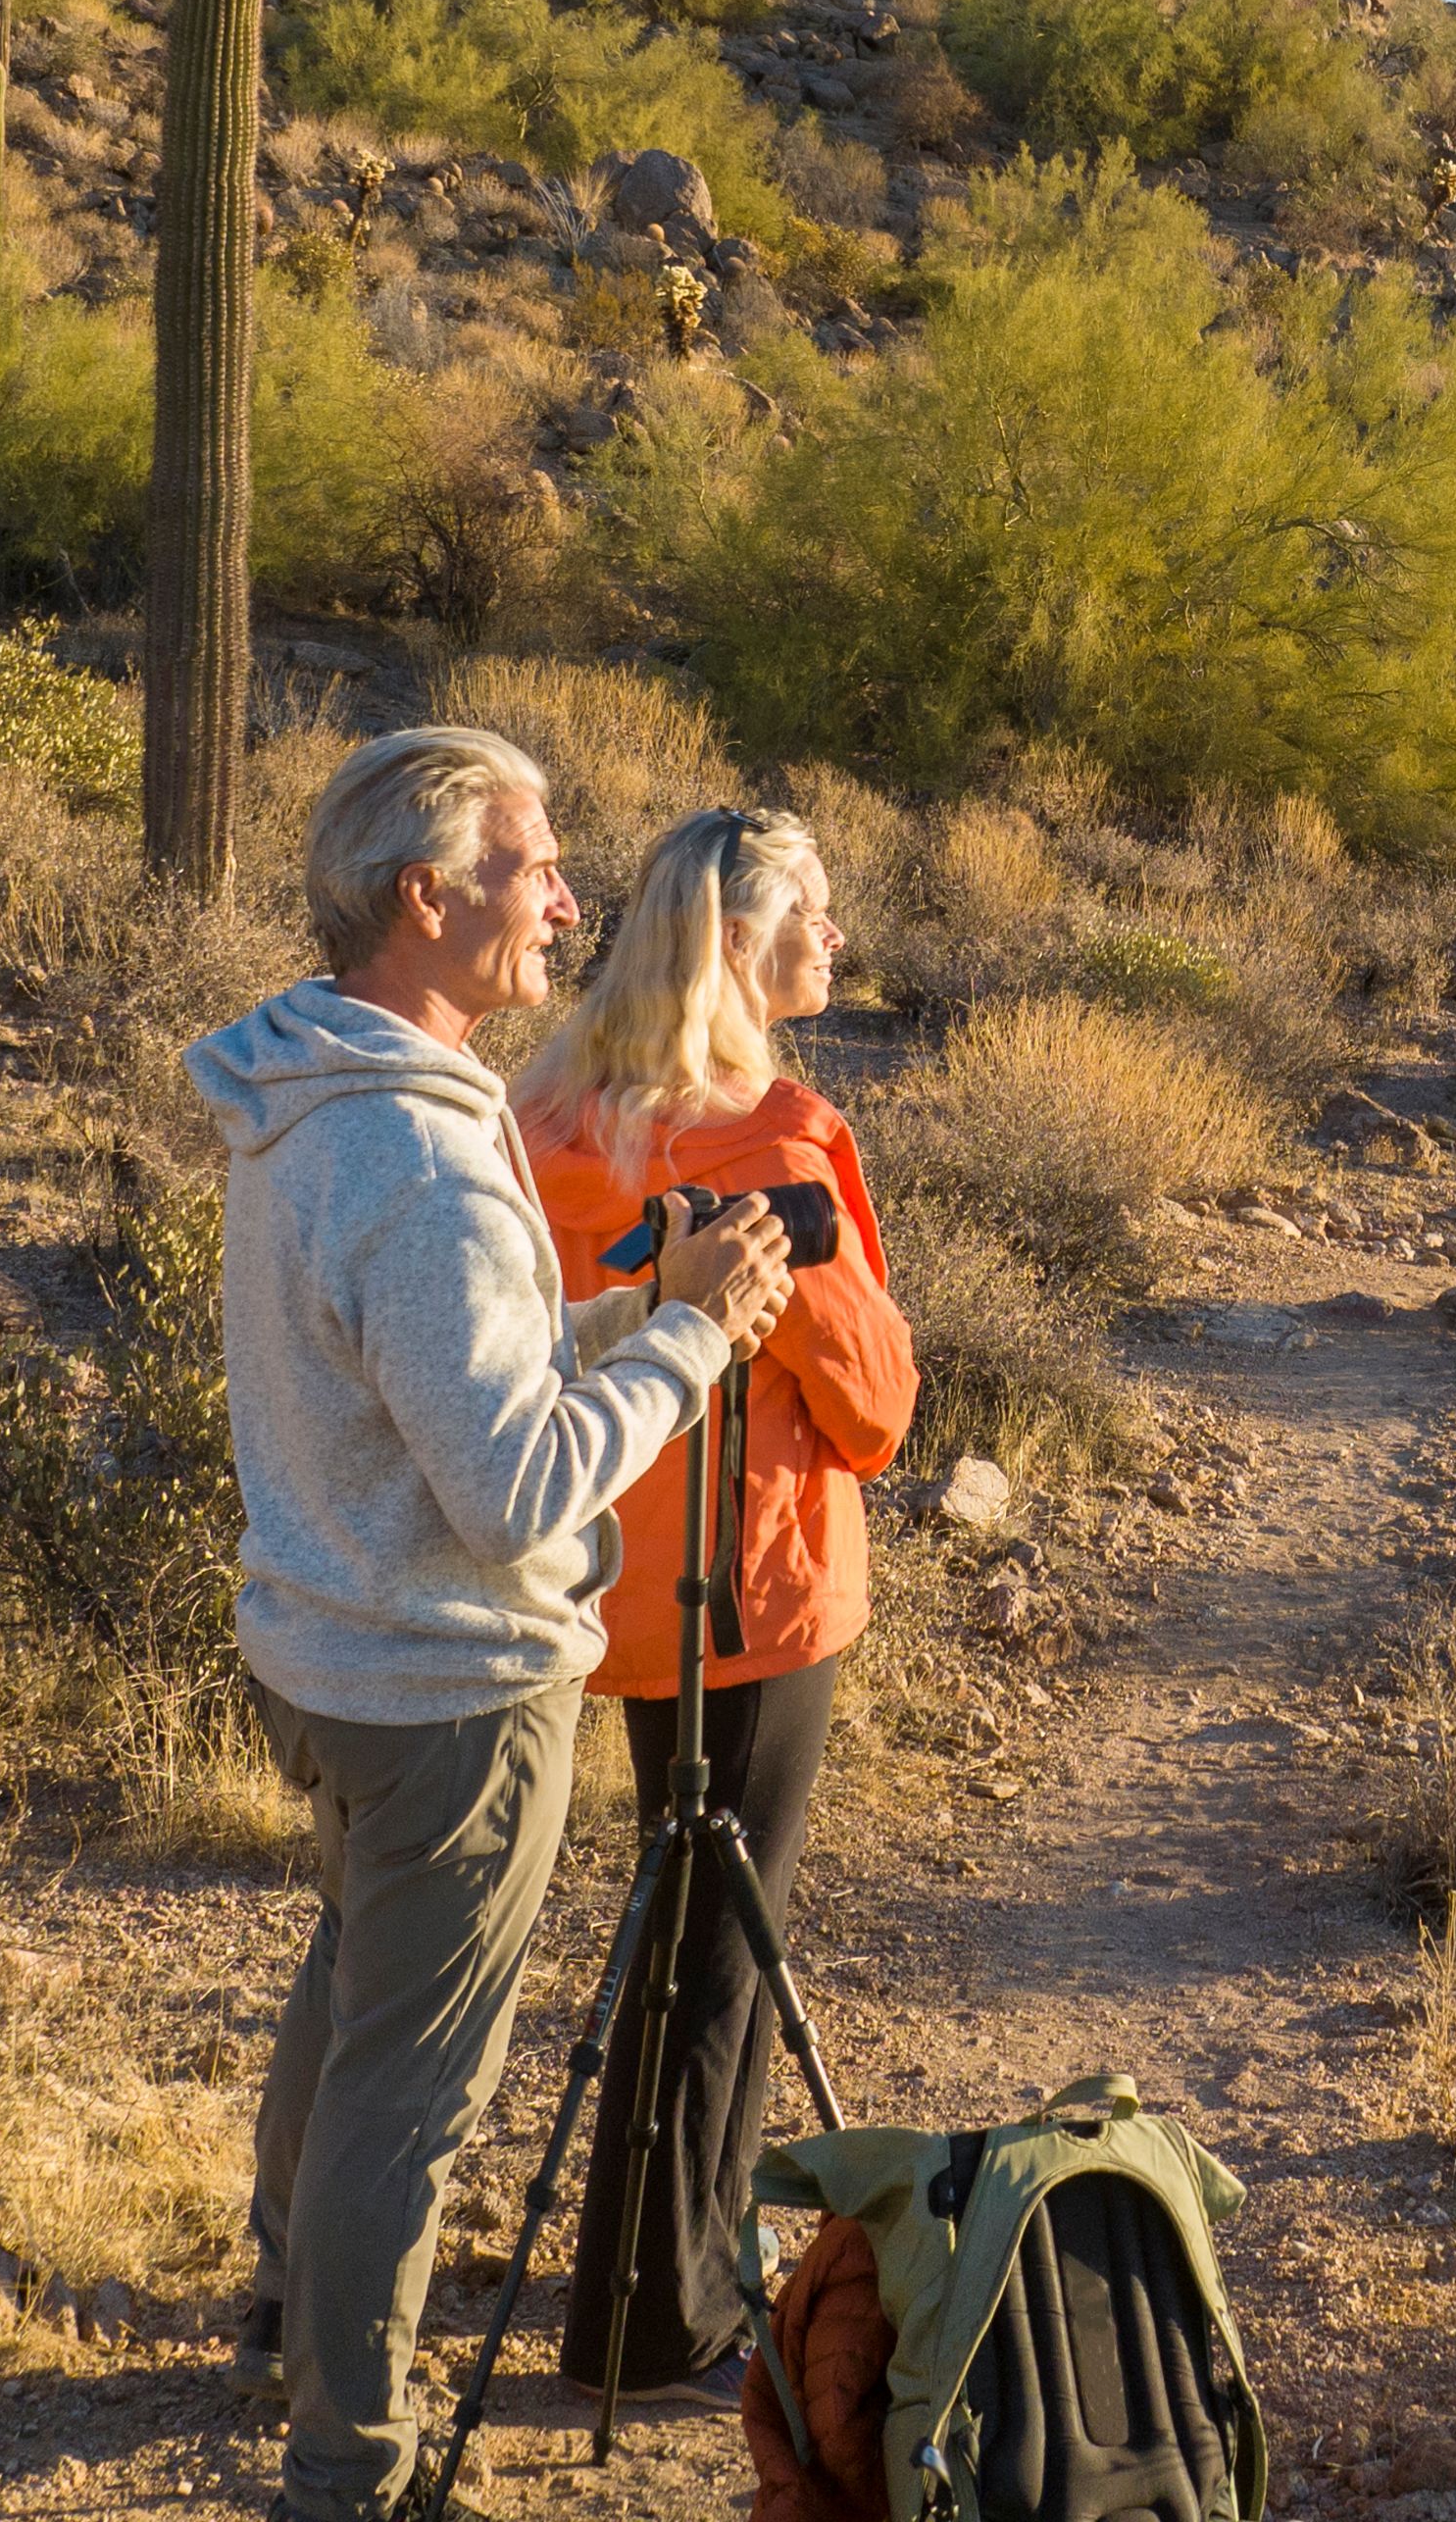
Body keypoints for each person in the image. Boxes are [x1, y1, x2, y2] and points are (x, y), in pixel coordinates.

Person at [190, 728, 800, 2522]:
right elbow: (520, 1489)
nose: (566, 897)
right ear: (423, 894)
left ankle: (288, 2292)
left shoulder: (317, 1096)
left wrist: (638, 1314)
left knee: (355, 1985)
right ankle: (357, 2463)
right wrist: (693, 1342)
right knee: (415, 2079)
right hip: (450, 1679)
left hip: (331, 1642)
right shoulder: (426, 1163)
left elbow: (447, 1394)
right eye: (534, 865)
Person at [504, 805, 919, 2410]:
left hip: (579, 1572)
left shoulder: (542, 1109)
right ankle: (651, 2312)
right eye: (814, 913)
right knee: (719, 1951)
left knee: (658, 1927)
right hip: (754, 1594)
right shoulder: (776, 1138)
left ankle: (635, 2271)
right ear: (743, 940)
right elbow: (878, 1409)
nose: (836, 941)